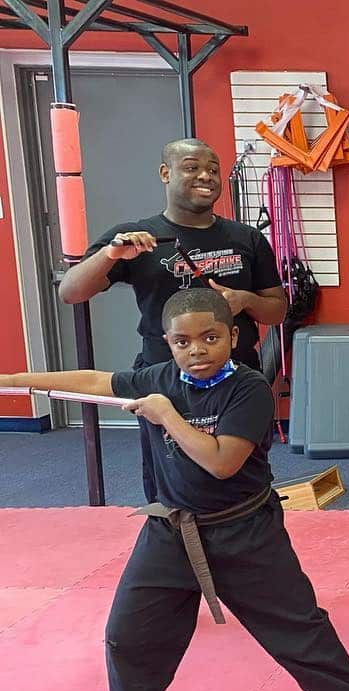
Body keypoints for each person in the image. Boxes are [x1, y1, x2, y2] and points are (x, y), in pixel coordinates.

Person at [0, 289, 349, 691]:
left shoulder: (249, 389)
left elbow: (221, 463)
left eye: (210, 337)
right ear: (168, 344)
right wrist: (14, 380)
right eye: (182, 342)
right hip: (169, 531)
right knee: (127, 637)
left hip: (245, 530)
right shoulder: (158, 378)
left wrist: (166, 414)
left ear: (232, 337)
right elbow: (95, 380)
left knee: (299, 626)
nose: (197, 351)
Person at [58, 138, 287, 503]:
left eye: (213, 170)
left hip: (236, 378)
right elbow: (71, 292)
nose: (206, 176)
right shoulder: (136, 237)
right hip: (165, 376)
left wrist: (244, 300)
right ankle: (174, 545)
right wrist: (111, 254)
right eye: (192, 167)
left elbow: (278, 310)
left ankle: (247, 540)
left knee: (241, 475)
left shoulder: (247, 238)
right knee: (172, 478)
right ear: (166, 173)